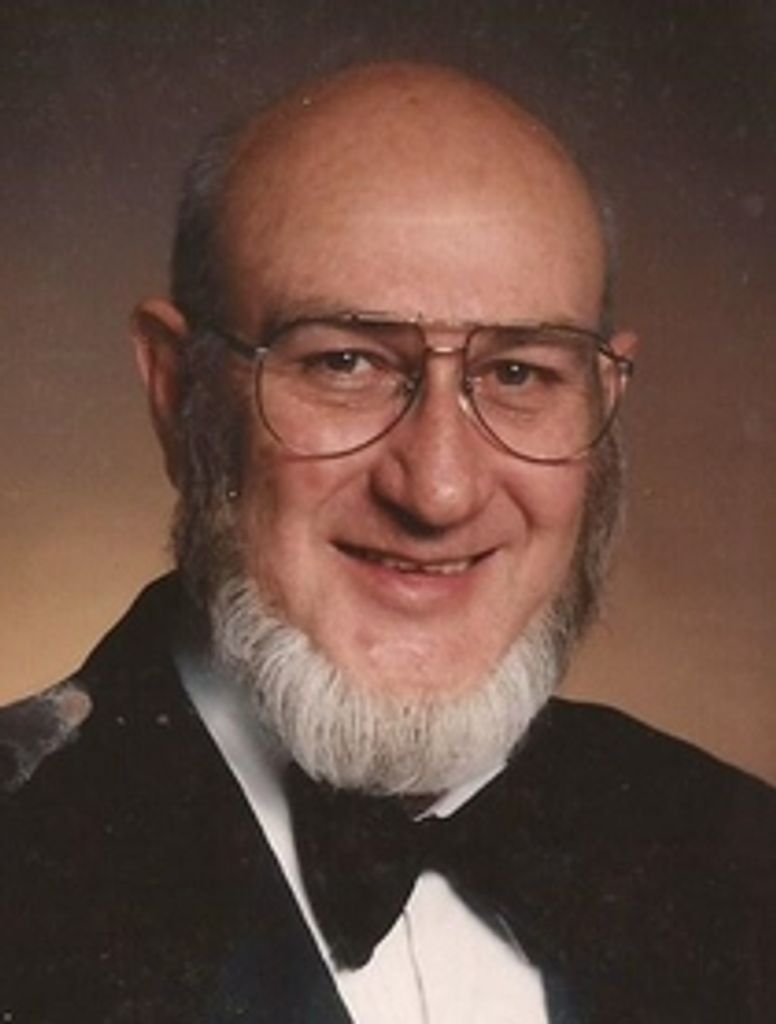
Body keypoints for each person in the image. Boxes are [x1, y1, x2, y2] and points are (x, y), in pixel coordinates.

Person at [0, 61, 773, 1023]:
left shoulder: (739, 857)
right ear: (176, 389)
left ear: (605, 396)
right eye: (346, 362)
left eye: (520, 374)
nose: (439, 489)